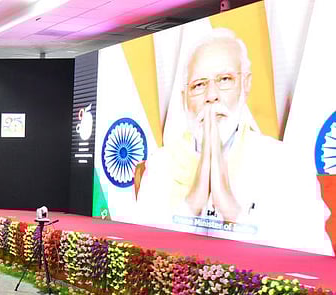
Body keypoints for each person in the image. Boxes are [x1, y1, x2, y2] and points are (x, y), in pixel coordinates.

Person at [135, 28, 332, 255]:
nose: (212, 95)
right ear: (184, 98)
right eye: (198, 85)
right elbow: (140, 255)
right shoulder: (161, 163)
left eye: (224, 80)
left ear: (245, 85)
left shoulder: (285, 162)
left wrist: (232, 212)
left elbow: (312, 260)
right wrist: (192, 203)